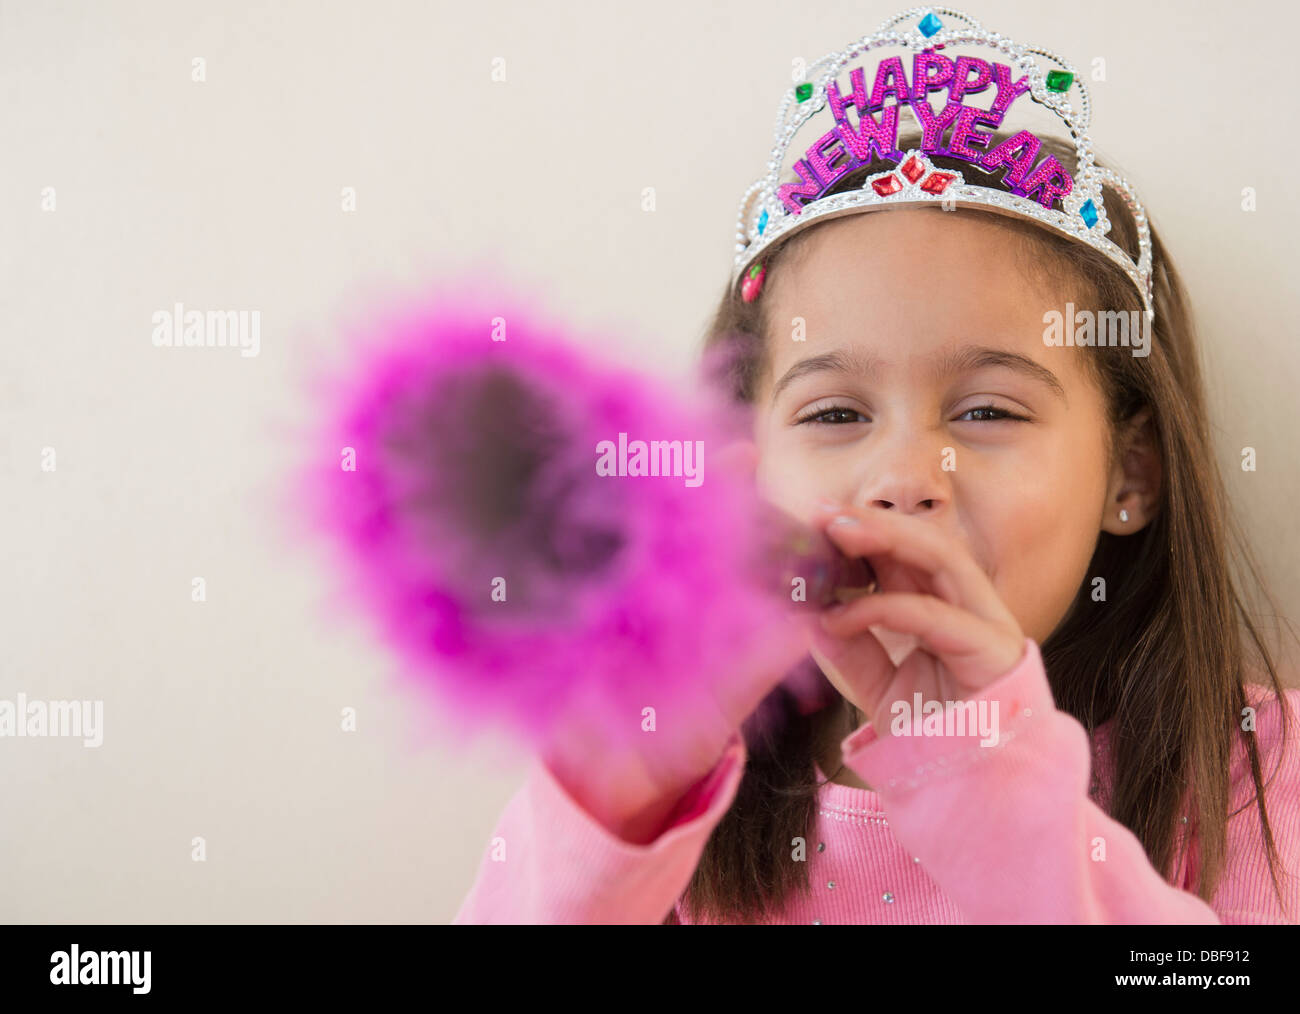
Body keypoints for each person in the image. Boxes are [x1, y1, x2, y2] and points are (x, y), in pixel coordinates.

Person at [453, 6, 1299, 924]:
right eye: (836, 413)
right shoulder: (657, 800)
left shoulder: (1265, 778)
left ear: (1130, 476)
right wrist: (618, 793)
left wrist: (992, 791)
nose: (903, 476)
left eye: (986, 410)